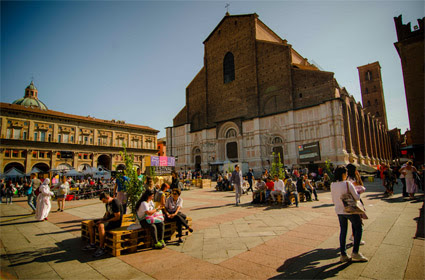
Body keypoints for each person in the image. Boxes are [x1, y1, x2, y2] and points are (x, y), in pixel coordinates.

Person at [331, 166, 368, 262]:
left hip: (339, 210)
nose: (347, 175)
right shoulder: (348, 184)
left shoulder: (333, 184)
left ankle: (343, 255)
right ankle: (355, 252)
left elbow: (333, 199)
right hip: (350, 210)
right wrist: (360, 191)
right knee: (358, 227)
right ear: (343, 174)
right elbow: (356, 197)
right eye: (346, 173)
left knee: (343, 231)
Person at [83, 192, 123, 257]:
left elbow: (117, 217)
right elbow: (107, 214)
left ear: (107, 198)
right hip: (108, 220)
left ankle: (102, 247)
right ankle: (92, 243)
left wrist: (104, 221)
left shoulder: (115, 202)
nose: (103, 202)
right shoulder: (107, 204)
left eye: (104, 200)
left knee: (101, 226)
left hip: (115, 222)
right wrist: (101, 220)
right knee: (91, 223)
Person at [346, 164, 366, 246]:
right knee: (357, 221)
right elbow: (360, 187)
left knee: (355, 221)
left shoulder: (348, 178)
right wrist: (358, 176)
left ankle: (354, 236)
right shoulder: (351, 179)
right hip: (354, 200)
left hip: (352, 200)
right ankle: (356, 239)